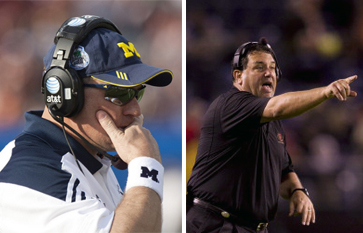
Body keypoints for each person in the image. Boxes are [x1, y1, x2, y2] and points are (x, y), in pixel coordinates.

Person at [0, 15, 173, 233]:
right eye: (119, 93)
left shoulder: (91, 159)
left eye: (137, 93)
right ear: (65, 92)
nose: (135, 110)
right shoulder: (30, 172)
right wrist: (146, 165)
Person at [186, 38, 358, 232]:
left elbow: (284, 169)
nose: (269, 72)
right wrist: (325, 92)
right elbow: (277, 107)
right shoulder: (230, 104)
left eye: (272, 67)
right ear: (238, 76)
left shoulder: (272, 123)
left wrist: (297, 191)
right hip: (215, 224)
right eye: (259, 67)